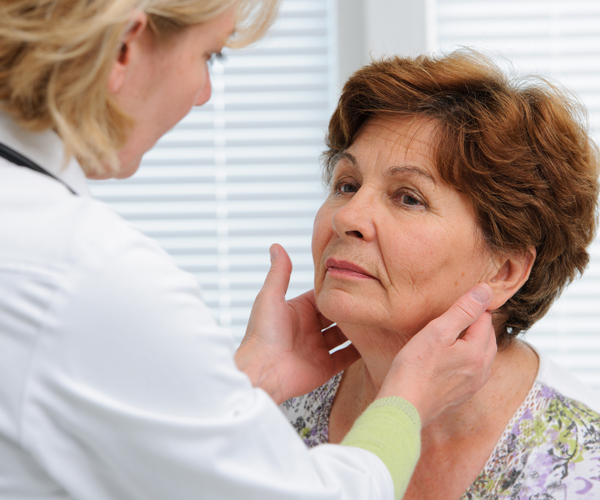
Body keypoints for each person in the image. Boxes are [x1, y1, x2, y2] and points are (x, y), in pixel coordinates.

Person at [0, 2, 498, 500]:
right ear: (126, 45)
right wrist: (405, 404)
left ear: (508, 267)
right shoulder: (84, 276)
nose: (203, 93)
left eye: (408, 198)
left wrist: (256, 373)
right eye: (209, 56)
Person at [281, 50, 600, 499]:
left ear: (504, 270)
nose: (348, 216)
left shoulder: (581, 464)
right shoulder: (269, 406)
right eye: (346, 184)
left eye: (408, 198)